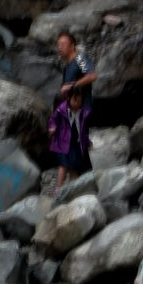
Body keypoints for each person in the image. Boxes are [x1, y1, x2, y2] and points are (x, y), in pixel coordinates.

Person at [47, 29, 97, 187]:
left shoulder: (80, 59)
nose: (59, 47)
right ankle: (80, 183)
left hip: (81, 111)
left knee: (70, 147)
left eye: (63, 44)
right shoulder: (67, 66)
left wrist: (72, 86)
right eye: (58, 44)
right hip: (70, 113)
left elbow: (92, 75)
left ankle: (68, 186)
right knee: (74, 146)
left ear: (72, 46)